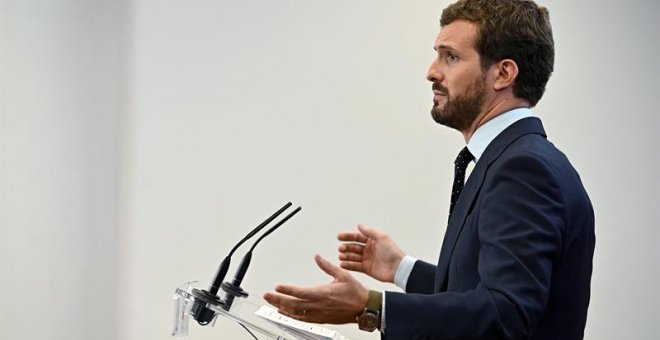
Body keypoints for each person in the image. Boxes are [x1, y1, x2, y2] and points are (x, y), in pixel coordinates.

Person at [264, 0, 595, 339]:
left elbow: (505, 314)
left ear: (503, 74)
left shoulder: (524, 170)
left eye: (450, 57)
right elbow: (481, 291)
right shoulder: (514, 159)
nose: (432, 71)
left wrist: (372, 306)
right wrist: (401, 269)